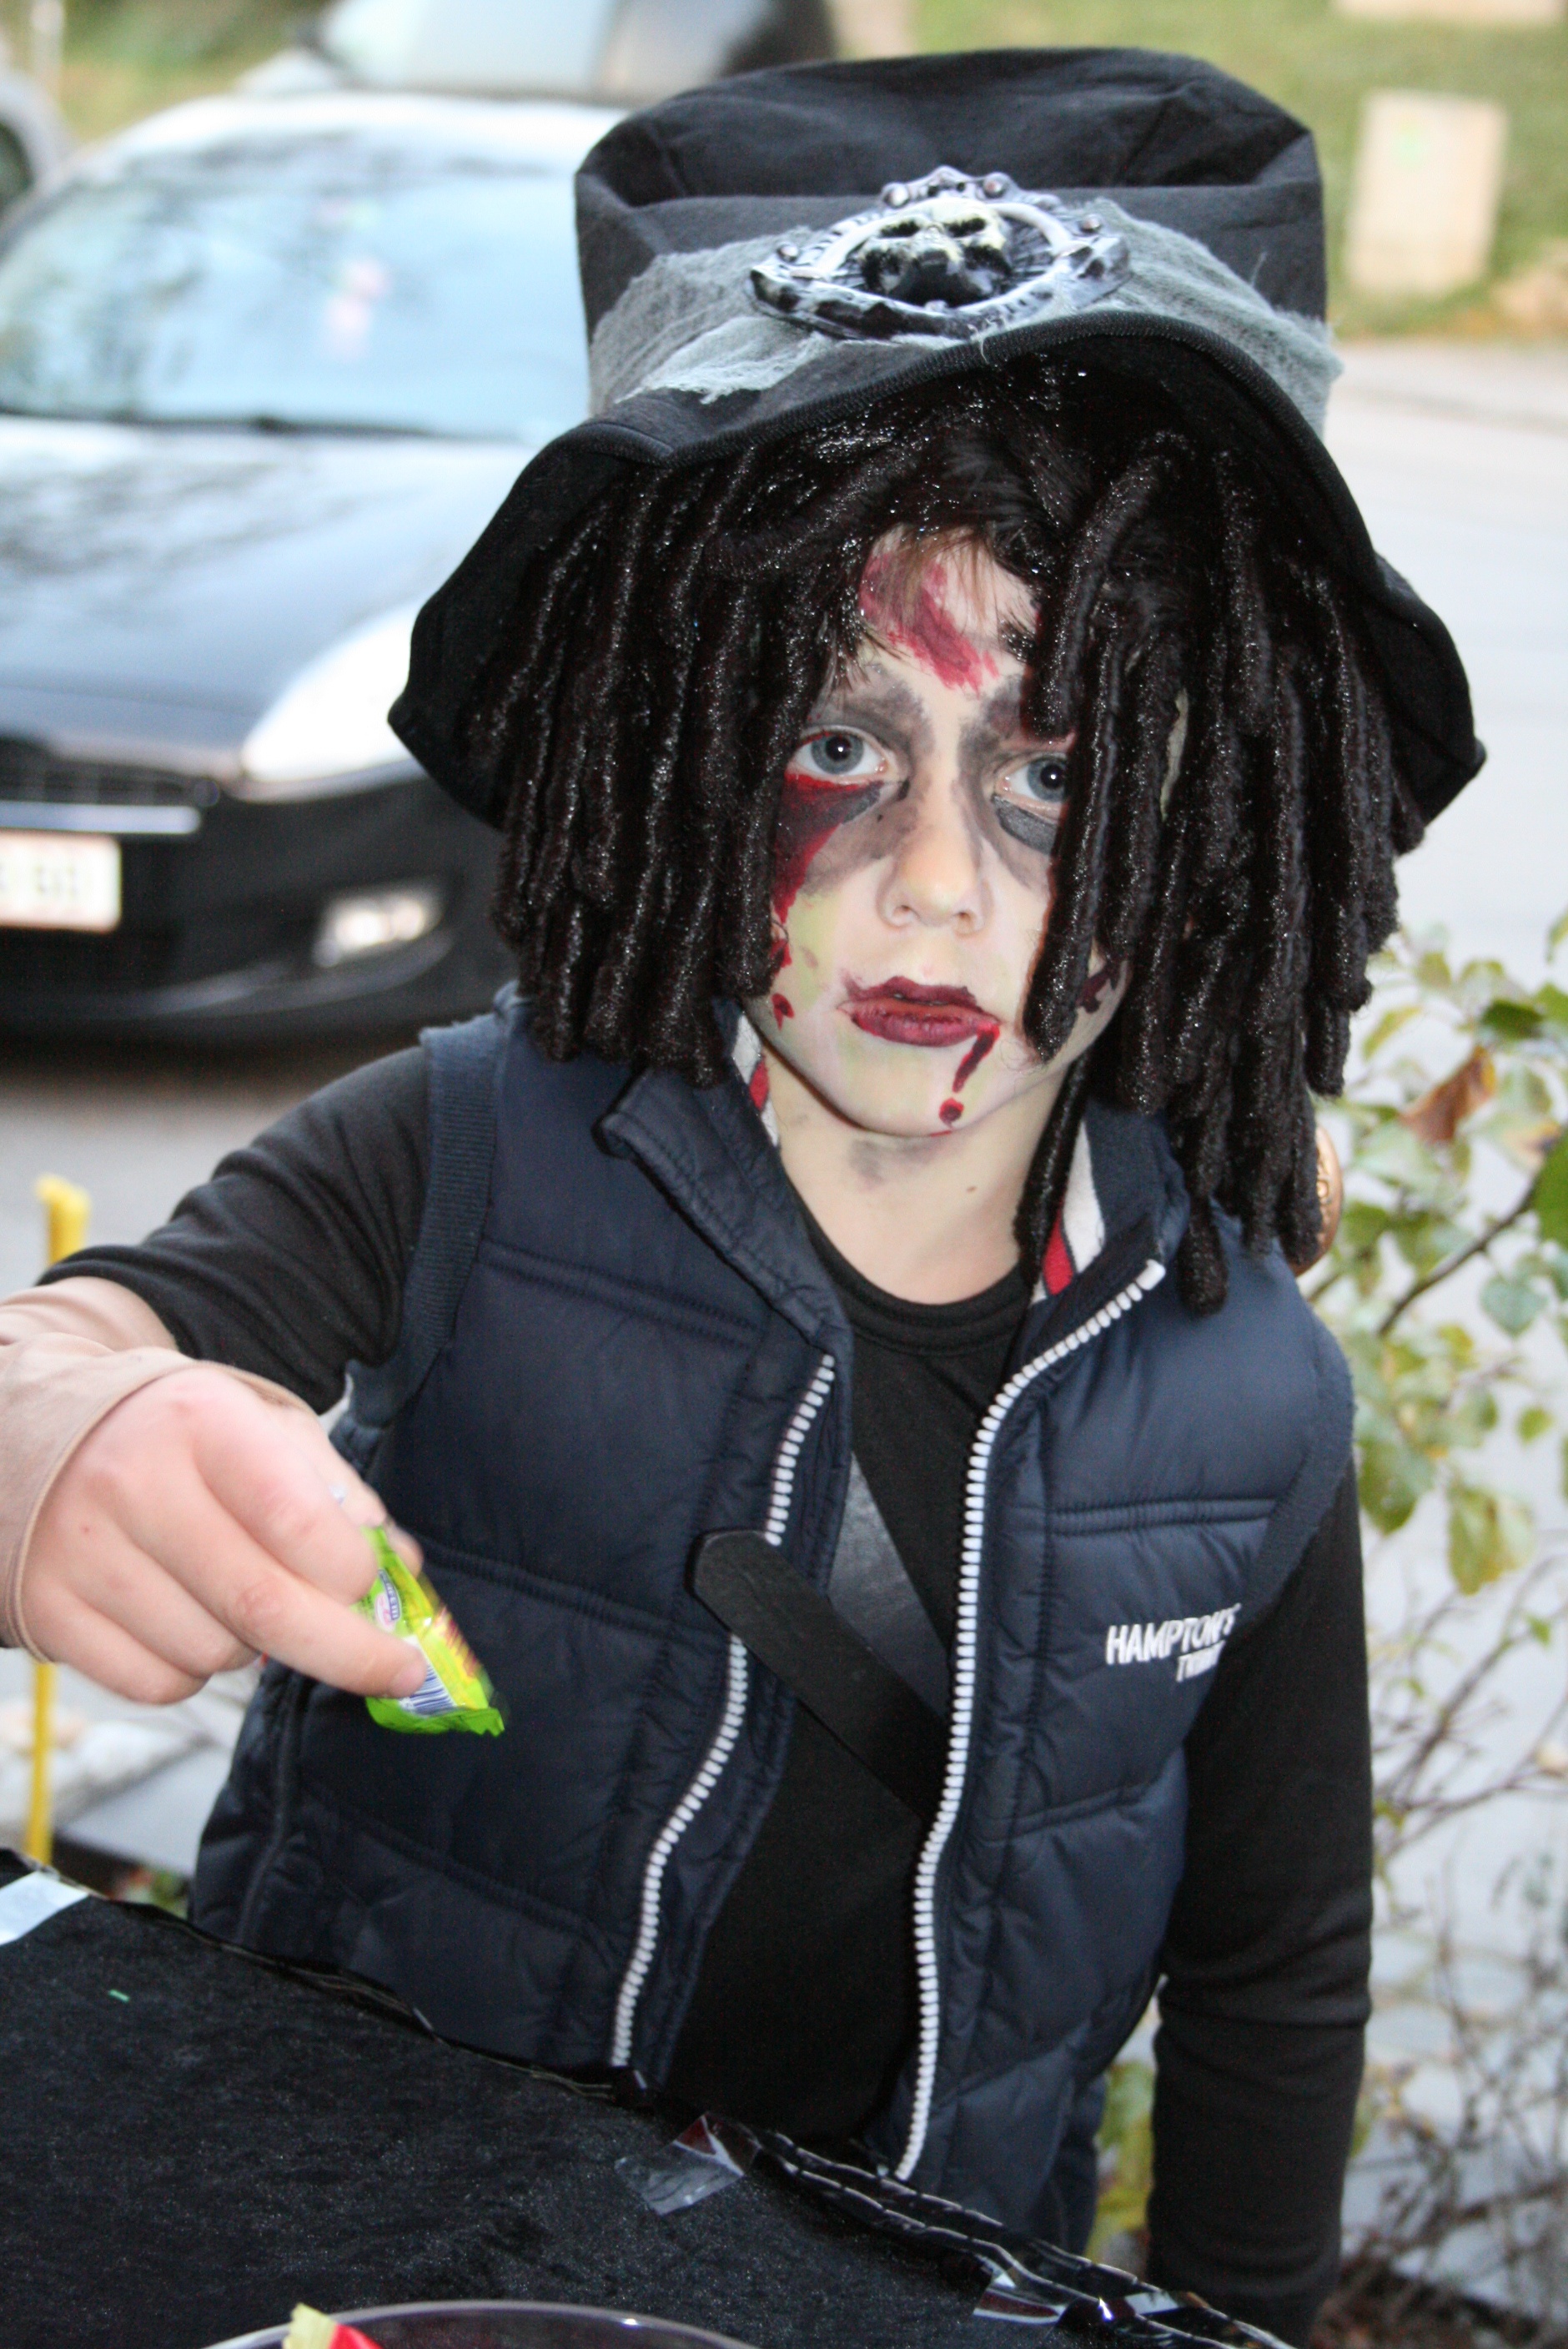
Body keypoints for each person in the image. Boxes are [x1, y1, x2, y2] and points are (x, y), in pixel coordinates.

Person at [0, 49, 1481, 2347]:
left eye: (1056, 776)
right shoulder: (471, 1146)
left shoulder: (1246, 1382)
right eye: (833, 746)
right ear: (666, 757)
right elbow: (76, 1341)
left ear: (1214, 823)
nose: (932, 885)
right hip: (382, 2272)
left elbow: (1277, 1962)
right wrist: (65, 1433)